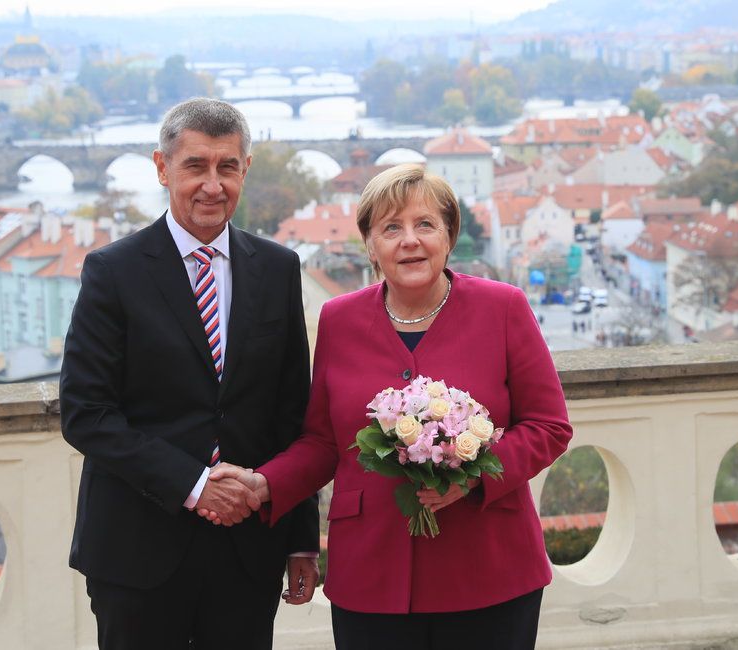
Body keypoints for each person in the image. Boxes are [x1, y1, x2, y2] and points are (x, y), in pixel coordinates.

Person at [206, 164, 572, 649]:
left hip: (489, 566)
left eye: (425, 224)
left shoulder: (503, 307)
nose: (410, 241)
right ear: (370, 245)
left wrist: (472, 476)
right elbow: (321, 441)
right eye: (391, 228)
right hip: (371, 571)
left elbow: (549, 426)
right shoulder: (339, 319)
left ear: (449, 235)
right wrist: (266, 483)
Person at [60, 97, 319, 650]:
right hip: (138, 551)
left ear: (245, 170)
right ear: (162, 168)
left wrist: (300, 539)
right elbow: (87, 414)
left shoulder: (277, 269)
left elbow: (293, 413)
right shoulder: (113, 272)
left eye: (227, 167)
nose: (212, 184)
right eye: (195, 166)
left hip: (248, 553)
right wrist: (195, 486)